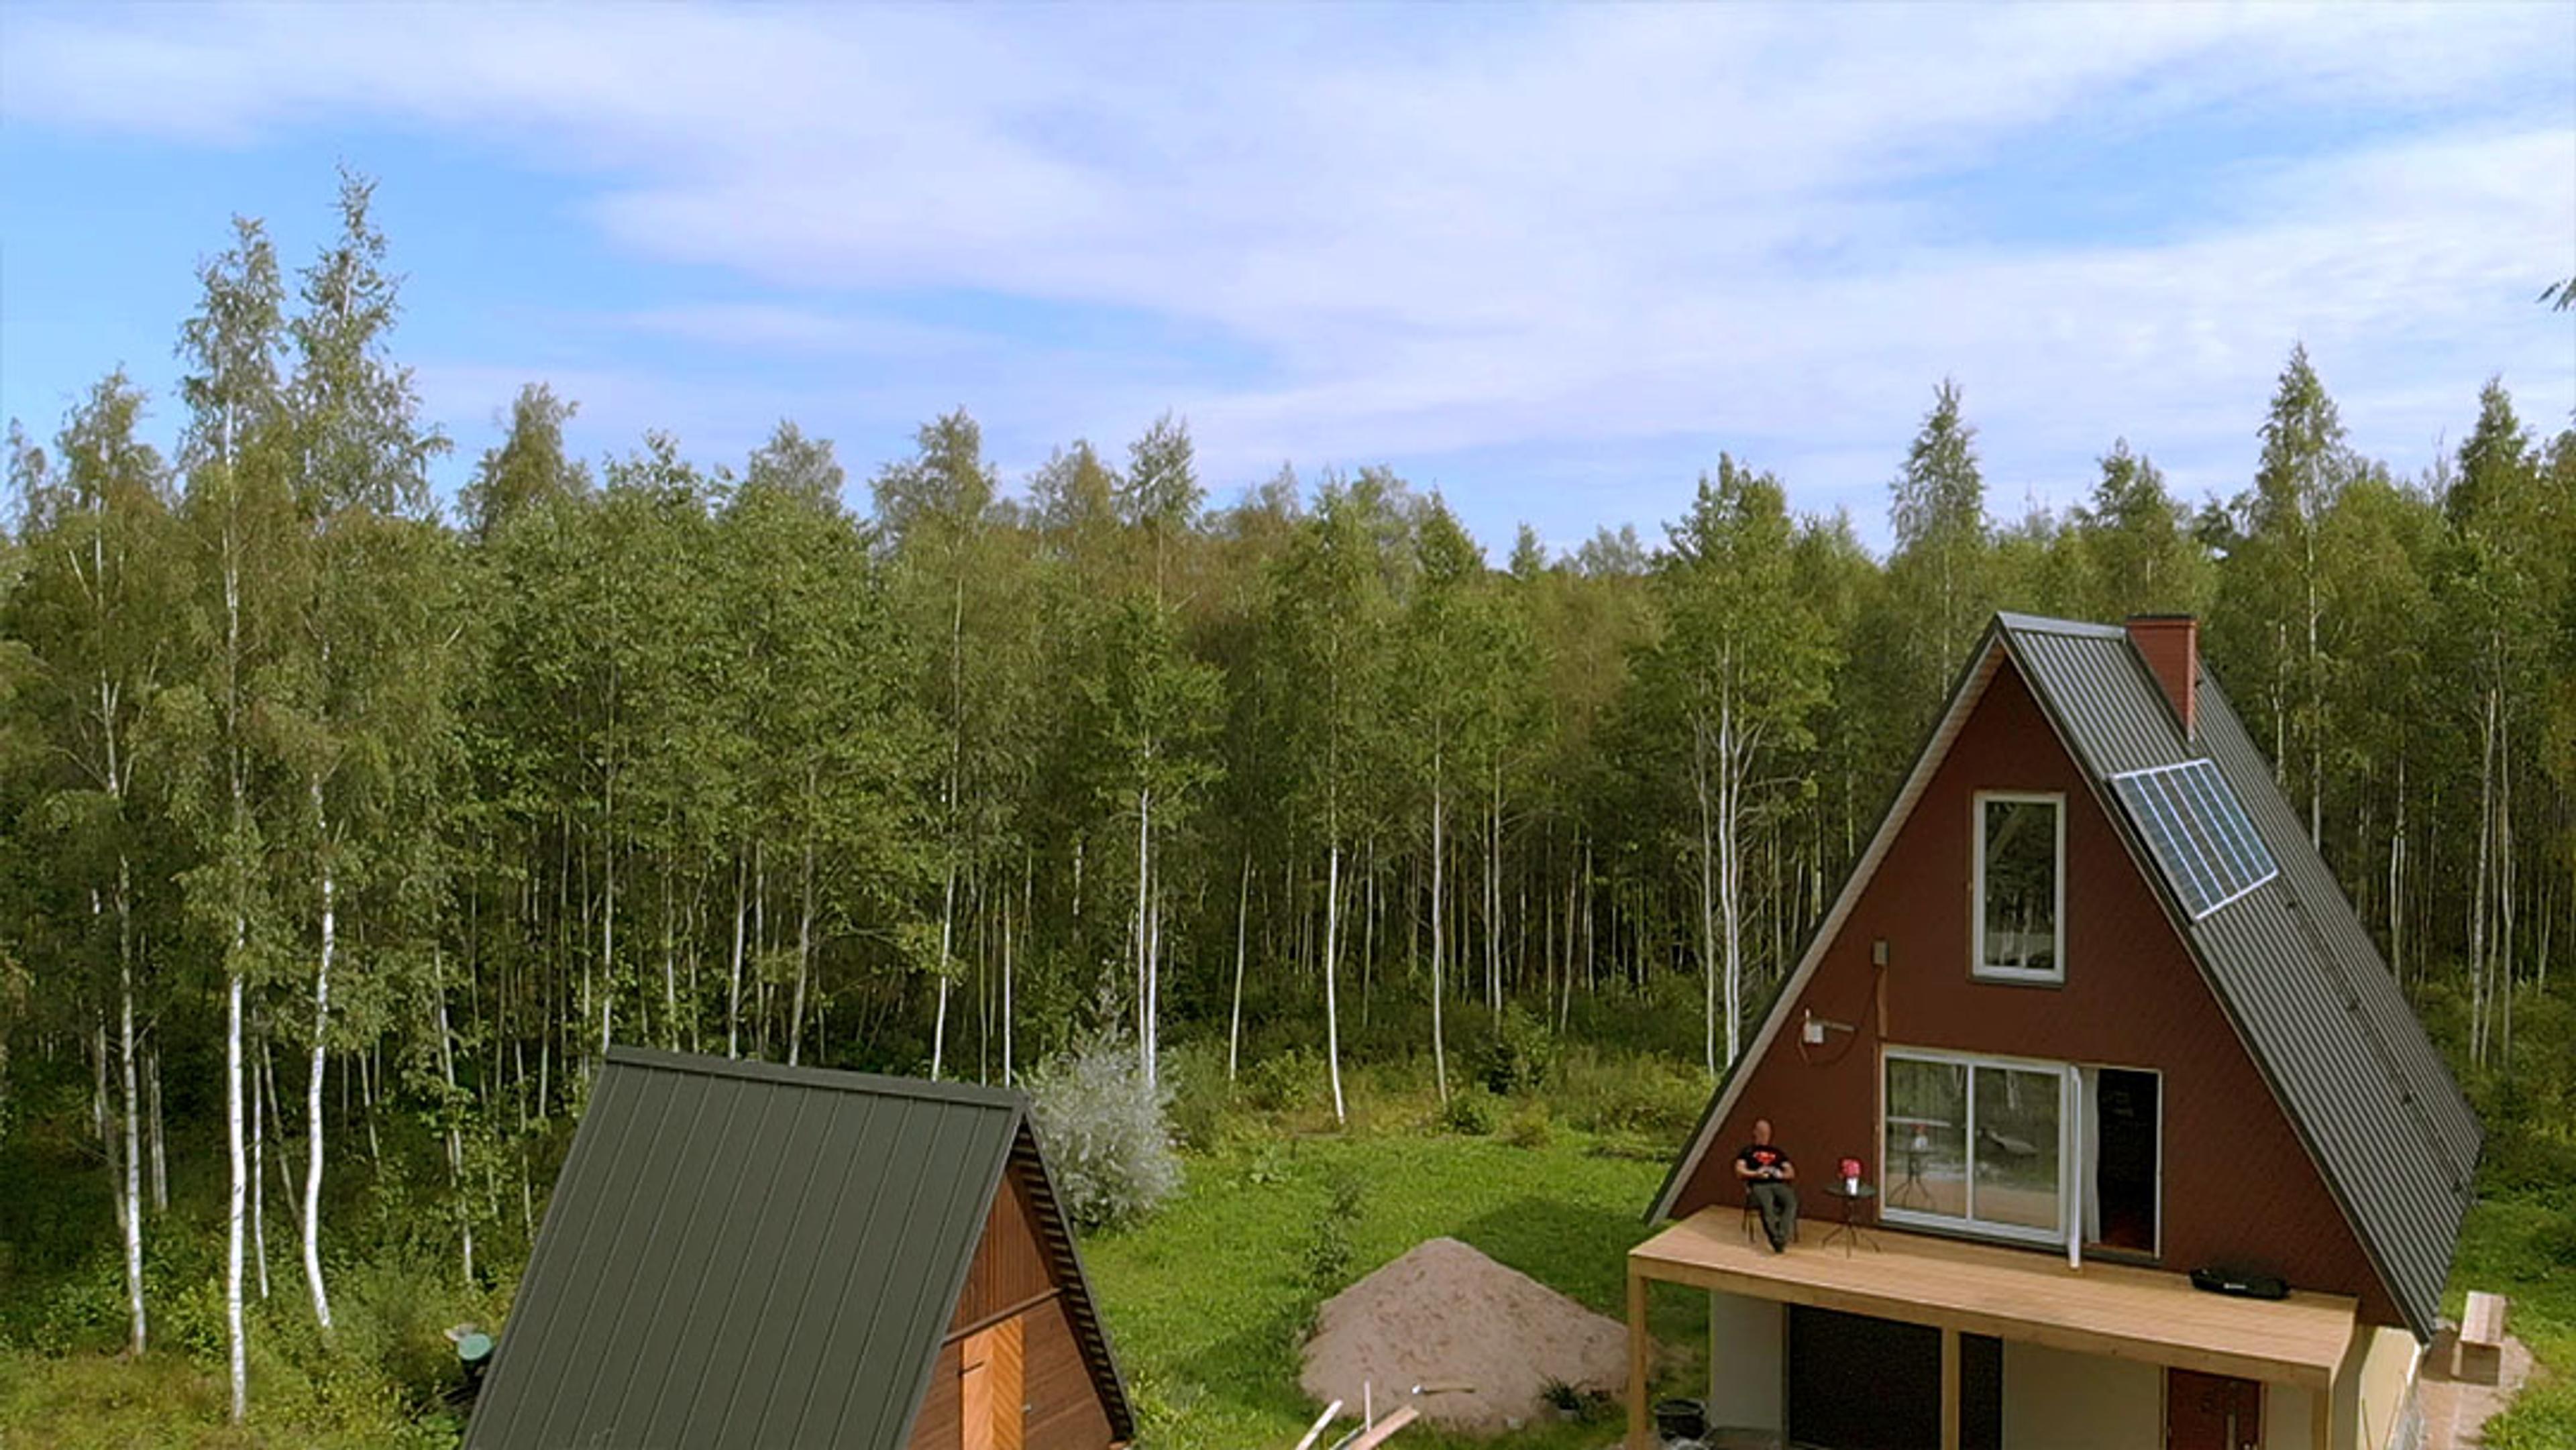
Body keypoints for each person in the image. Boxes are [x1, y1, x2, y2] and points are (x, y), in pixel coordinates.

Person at [1735, 1118, 1798, 1251]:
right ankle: (1777, 1240)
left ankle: (1781, 1235)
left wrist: (1781, 1175)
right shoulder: (1748, 1151)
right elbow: (1739, 1170)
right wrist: (1755, 1174)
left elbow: (1791, 1172)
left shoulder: (1777, 1152)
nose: (1765, 1136)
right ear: (1755, 1133)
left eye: (1767, 1133)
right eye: (1762, 1133)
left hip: (1778, 1183)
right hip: (1759, 1184)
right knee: (1767, 1206)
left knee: (1791, 1202)